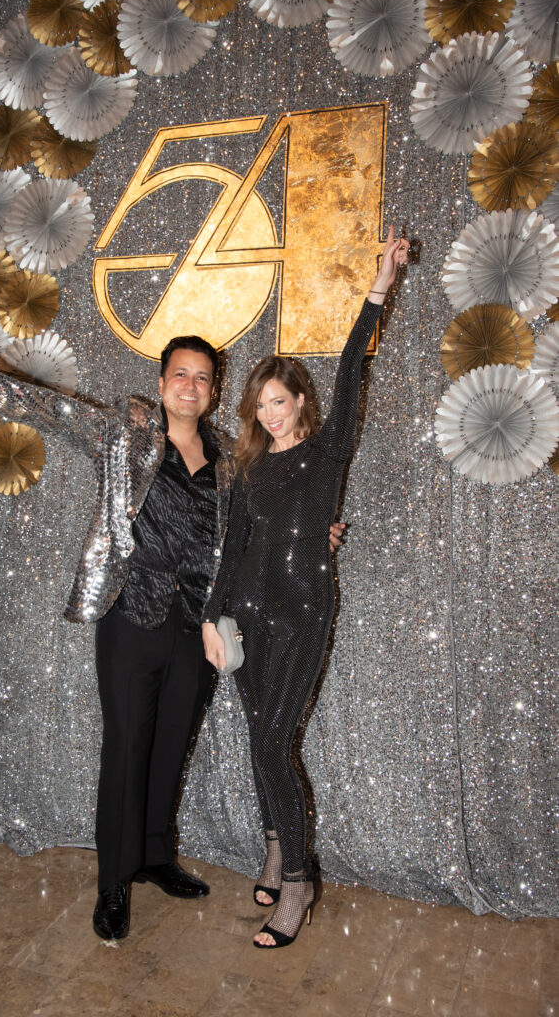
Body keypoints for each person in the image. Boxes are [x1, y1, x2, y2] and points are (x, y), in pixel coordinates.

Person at [0, 320, 349, 941]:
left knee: (172, 744)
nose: (190, 384)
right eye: (180, 373)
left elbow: (269, 523)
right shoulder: (127, 432)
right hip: (132, 614)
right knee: (127, 748)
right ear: (161, 382)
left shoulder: (234, 458)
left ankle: (153, 856)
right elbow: (55, 410)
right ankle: (115, 883)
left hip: (196, 625)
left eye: (203, 377)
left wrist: (319, 535)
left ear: (213, 390)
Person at [202, 225, 410, 949]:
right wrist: (209, 617)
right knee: (262, 741)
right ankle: (273, 845)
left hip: (302, 613)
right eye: (259, 404)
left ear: (301, 402)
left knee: (271, 742)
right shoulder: (246, 468)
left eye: (277, 402)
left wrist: (379, 285)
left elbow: (354, 367)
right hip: (247, 618)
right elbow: (232, 552)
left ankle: (298, 882)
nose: (266, 414)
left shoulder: (328, 454)